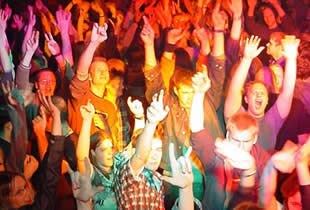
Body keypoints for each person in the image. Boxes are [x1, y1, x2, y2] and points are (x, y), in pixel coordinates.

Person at [189, 69, 270, 210]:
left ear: (255, 139)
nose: (240, 147)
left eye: (246, 142)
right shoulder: (217, 154)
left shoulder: (263, 160)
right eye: (235, 140)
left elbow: (266, 199)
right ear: (227, 136)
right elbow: (196, 127)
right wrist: (199, 93)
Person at [224, 35, 299, 151]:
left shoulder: (272, 120)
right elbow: (234, 90)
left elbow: (287, 94)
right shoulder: (237, 116)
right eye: (254, 92)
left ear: (267, 100)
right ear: (246, 99)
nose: (259, 95)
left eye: (263, 93)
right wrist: (246, 59)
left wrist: (291, 59)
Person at [68, 22, 118, 144]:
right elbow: (80, 74)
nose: (103, 73)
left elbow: (113, 140)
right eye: (98, 70)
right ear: (89, 76)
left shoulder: (110, 106)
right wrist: (92, 45)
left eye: (105, 70)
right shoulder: (81, 96)